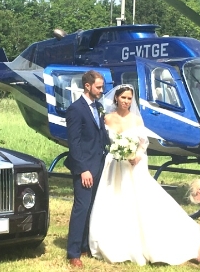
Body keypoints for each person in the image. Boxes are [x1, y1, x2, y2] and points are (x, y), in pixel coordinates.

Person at [88, 84, 200, 266]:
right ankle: (114, 242)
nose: (127, 102)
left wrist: (136, 156)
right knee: (113, 200)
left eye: (130, 98)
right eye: (123, 98)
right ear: (116, 98)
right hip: (114, 166)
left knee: (137, 202)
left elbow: (143, 143)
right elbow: (102, 141)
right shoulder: (107, 119)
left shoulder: (136, 120)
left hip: (133, 166)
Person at [64, 70, 110, 268]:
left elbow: (101, 137)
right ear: (87, 86)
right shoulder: (76, 109)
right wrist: (83, 169)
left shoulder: (98, 107)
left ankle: (85, 245)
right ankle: (73, 252)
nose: (102, 90)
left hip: (99, 164)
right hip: (84, 167)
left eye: (102, 87)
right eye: (99, 87)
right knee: (81, 208)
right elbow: (74, 143)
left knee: (92, 207)